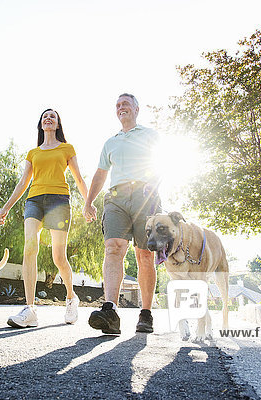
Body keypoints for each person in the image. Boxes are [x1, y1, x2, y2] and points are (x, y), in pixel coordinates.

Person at [0, 108, 88, 328]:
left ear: (57, 125)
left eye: (52, 117)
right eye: (45, 116)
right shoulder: (33, 153)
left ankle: (70, 298)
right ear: (40, 124)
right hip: (34, 201)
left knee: (58, 257)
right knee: (29, 248)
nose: (48, 118)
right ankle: (30, 310)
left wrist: (88, 203)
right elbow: (23, 182)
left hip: (59, 201)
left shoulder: (67, 148)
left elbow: (78, 178)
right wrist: (6, 207)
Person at [83, 93, 161, 334]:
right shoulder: (111, 142)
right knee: (113, 247)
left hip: (144, 195)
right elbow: (100, 174)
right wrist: (88, 202)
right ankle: (110, 311)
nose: (121, 107)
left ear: (137, 109)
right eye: (117, 105)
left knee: (145, 255)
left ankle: (146, 314)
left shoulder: (150, 135)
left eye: (125, 103)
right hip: (116, 198)